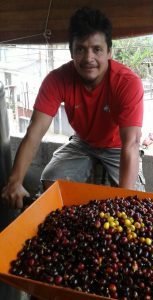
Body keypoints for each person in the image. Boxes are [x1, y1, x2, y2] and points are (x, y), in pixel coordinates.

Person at [1, 6, 145, 209]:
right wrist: (14, 182)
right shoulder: (56, 80)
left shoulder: (127, 82)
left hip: (117, 147)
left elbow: (131, 144)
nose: (88, 58)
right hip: (82, 142)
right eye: (81, 49)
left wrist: (124, 203)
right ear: (71, 52)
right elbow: (34, 133)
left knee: (135, 205)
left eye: (97, 49)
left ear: (109, 52)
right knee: (50, 184)